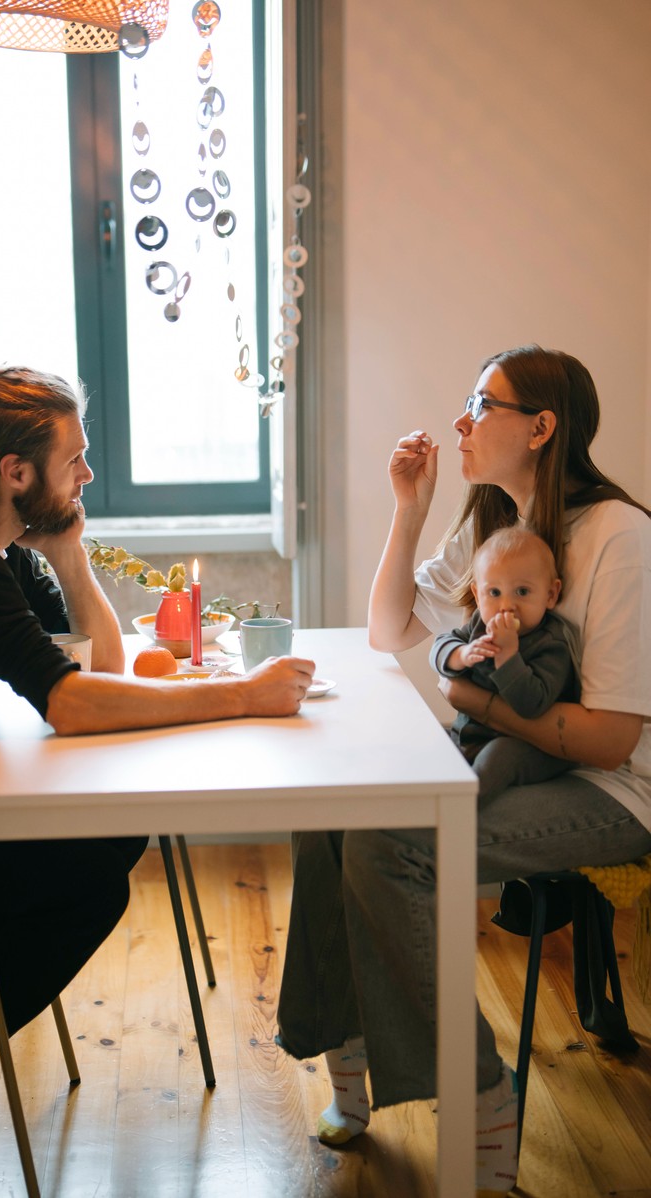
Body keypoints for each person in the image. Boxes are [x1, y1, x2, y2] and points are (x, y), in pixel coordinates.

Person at [0, 364, 315, 1165]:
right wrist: (243, 696)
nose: (90, 476)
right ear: (17, 473)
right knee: (92, 870)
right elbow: (71, 704)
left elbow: (105, 669)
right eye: (76, 461)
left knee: (105, 849)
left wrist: (69, 560)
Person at [276, 345, 651, 1194]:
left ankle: (482, 1095)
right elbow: (387, 629)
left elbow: (613, 740)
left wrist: (477, 702)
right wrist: (410, 509)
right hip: (513, 763)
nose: (462, 421)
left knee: (387, 847)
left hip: (612, 793)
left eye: (483, 403)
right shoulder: (491, 524)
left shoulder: (620, 537)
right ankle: (353, 1056)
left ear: (542, 426)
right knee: (328, 814)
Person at [430, 525, 578, 802]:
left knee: (500, 757)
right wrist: (461, 654)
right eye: (494, 593)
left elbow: (532, 704)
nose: (506, 605)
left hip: (528, 746)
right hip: (473, 733)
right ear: (477, 594)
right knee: (430, 738)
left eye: (522, 591)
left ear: (550, 594)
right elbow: (439, 647)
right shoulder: (479, 625)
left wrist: (508, 656)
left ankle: (460, 808)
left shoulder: (551, 644)